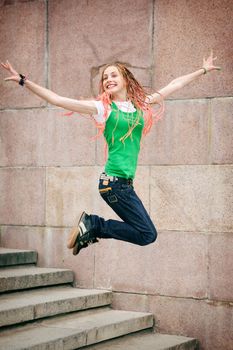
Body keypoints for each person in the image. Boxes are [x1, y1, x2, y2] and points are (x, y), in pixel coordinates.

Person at [1, 52, 221, 255]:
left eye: (113, 75)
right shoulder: (102, 109)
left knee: (147, 235)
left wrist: (202, 70)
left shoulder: (141, 104)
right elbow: (58, 100)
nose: (108, 79)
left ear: (125, 78)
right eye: (105, 77)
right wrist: (23, 80)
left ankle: (93, 227)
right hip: (113, 183)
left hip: (124, 185)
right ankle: (94, 225)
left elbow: (174, 84)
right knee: (147, 234)